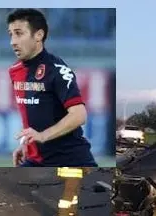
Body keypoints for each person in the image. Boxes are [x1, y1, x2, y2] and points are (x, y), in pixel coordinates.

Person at [7, 8, 97, 167]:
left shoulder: (57, 69)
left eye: (19, 33)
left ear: (39, 35)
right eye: (11, 34)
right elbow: (33, 114)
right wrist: (27, 144)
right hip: (35, 160)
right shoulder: (15, 71)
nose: (13, 41)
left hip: (71, 160)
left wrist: (42, 136)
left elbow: (79, 115)